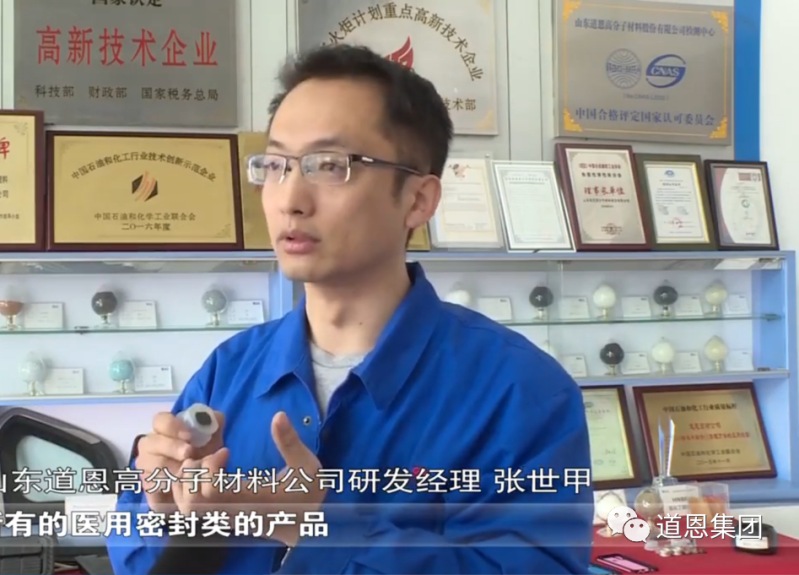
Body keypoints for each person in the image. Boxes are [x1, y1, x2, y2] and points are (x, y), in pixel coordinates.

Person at [107, 44, 594, 575]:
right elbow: (131, 545)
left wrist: (322, 528)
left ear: (418, 200)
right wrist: (173, 519)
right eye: (275, 165)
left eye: (329, 166)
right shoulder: (229, 369)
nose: (289, 198)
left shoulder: (521, 391)